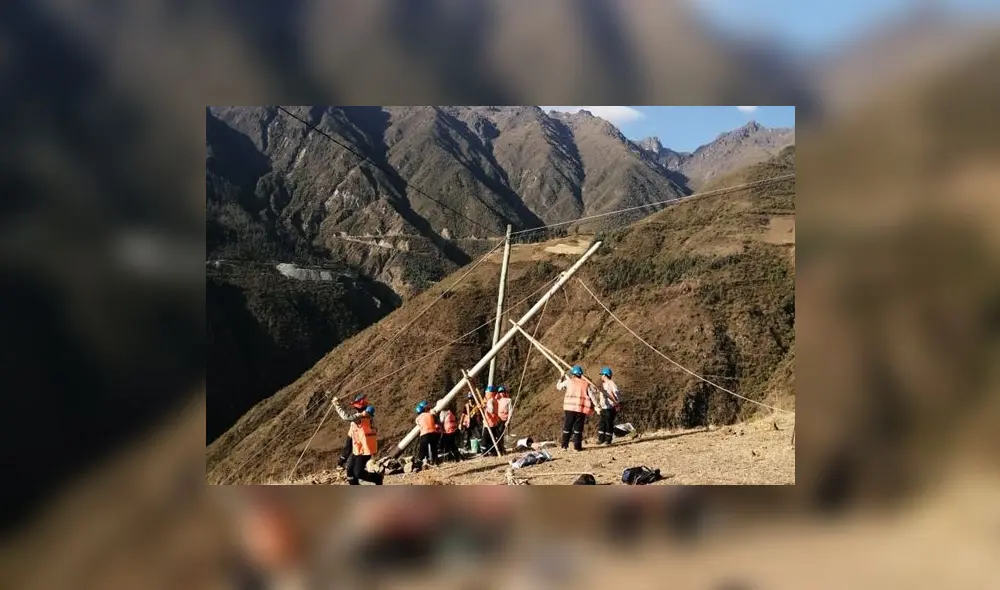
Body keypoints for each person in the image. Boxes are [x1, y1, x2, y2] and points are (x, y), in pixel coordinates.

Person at [332, 397, 383, 485]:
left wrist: (337, 405)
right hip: (358, 449)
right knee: (350, 472)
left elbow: (346, 417)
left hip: (364, 451)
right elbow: (350, 439)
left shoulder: (361, 417)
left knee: (358, 473)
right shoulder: (363, 419)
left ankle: (377, 478)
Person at [556, 365, 594, 451]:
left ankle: (564, 446)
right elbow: (591, 395)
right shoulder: (585, 383)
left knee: (567, 427)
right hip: (581, 409)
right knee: (578, 428)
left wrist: (561, 377)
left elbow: (558, 387)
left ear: (573, 374)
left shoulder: (569, 382)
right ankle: (577, 447)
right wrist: (596, 405)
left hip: (569, 408)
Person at [335, 393, 368, 470]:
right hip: (362, 435)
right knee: (358, 450)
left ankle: (342, 464)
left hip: (355, 435)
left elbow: (345, 417)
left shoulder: (358, 416)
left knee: (349, 449)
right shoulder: (368, 414)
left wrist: (337, 405)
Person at [596, 367, 622, 445]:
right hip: (604, 407)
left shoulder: (611, 383)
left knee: (608, 424)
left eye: (602, 375)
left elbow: (617, 393)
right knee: (602, 424)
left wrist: (616, 402)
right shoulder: (602, 385)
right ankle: (601, 439)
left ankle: (608, 440)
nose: (601, 376)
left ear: (605, 375)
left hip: (610, 408)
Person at [413, 401, 439, 471]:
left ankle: (419, 465)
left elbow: (419, 425)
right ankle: (435, 462)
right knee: (434, 449)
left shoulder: (417, 419)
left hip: (424, 434)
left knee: (422, 451)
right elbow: (435, 418)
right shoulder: (430, 414)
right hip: (433, 433)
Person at [482, 386, 502, 456]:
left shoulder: (490, 401)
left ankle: (484, 453)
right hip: (494, 423)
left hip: (489, 424)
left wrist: (485, 407)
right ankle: (493, 452)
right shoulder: (496, 401)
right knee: (492, 439)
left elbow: (491, 410)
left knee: (484, 440)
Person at [495, 385, 512, 454]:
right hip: (498, 419)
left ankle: (502, 449)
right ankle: (500, 449)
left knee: (501, 434)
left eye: (503, 392)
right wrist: (497, 394)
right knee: (497, 434)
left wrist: (508, 420)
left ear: (505, 392)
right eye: (500, 392)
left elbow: (510, 410)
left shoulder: (508, 400)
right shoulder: (498, 400)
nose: (502, 393)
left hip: (504, 419)